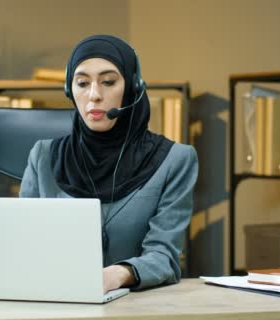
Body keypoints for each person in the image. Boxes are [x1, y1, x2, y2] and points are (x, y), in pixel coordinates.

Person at [19, 34, 198, 292]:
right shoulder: (43, 157)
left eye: (108, 82)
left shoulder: (175, 160)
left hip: (136, 306)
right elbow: (25, 244)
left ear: (133, 88)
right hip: (56, 300)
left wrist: (118, 275)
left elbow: (165, 257)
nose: (94, 95)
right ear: (70, 90)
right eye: (82, 83)